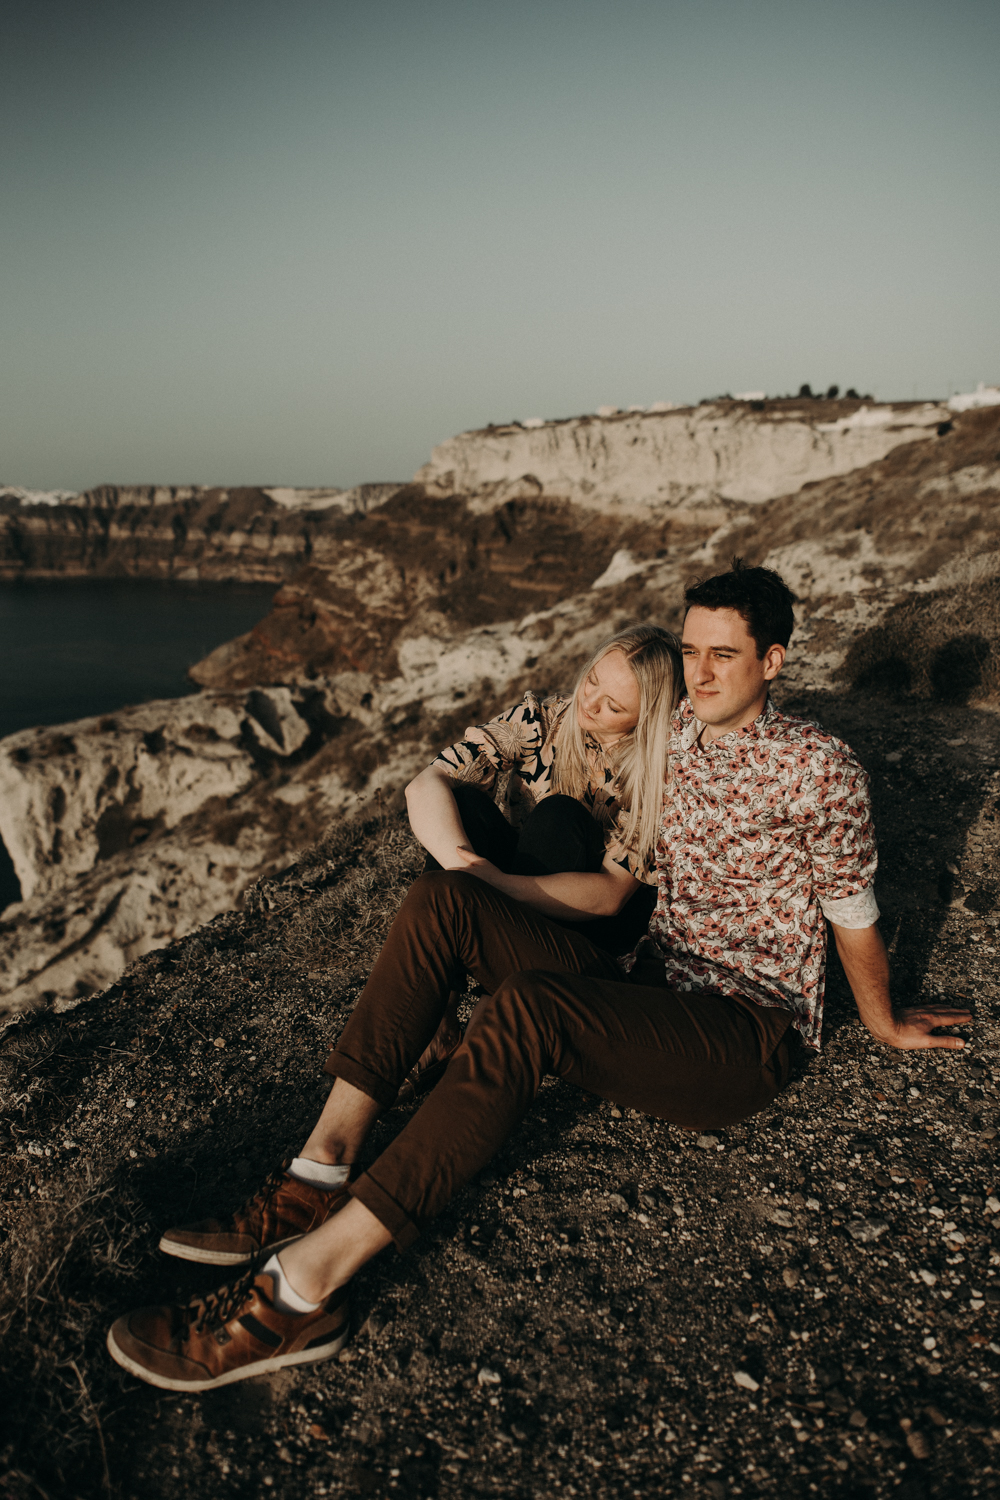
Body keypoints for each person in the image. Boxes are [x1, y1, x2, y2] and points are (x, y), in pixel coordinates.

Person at [106, 561, 971, 1392]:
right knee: (444, 900)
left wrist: (883, 1019)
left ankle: (299, 1292)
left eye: (724, 655)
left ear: (772, 661)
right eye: (690, 652)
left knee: (524, 1011)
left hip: (743, 1031)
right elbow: (569, 724)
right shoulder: (669, 733)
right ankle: (316, 1175)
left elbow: (850, 909)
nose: (701, 674)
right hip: (649, 988)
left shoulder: (819, 767)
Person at [396, 624, 681, 1097]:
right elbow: (425, 783)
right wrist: (466, 873)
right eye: (592, 681)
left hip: (597, 925)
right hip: (521, 885)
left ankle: (492, 1014)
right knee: (464, 805)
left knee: (560, 815)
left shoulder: (662, 768)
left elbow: (612, 895)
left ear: (646, 716)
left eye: (613, 706)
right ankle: (440, 1023)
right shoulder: (544, 719)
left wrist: (496, 885)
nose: (589, 703)